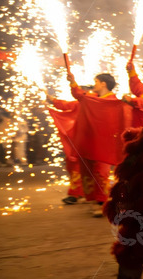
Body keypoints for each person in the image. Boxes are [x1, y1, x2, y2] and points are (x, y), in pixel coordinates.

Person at [48, 73, 125, 216]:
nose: (94, 84)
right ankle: (95, 200)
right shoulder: (92, 99)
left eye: (96, 81)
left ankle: (103, 203)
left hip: (103, 143)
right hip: (90, 141)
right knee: (88, 171)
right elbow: (78, 95)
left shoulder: (113, 101)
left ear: (103, 84)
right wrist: (72, 82)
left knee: (101, 172)